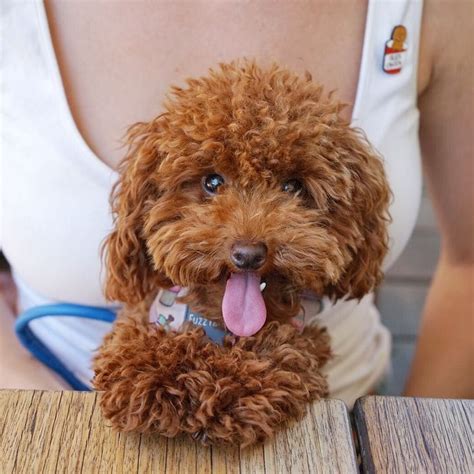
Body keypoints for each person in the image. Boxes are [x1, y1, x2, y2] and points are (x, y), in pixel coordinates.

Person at [1, 0, 472, 402]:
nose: (248, 241)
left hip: (342, 412)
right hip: (47, 395)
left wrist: (412, 446)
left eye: (291, 189)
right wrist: (23, 387)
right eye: (211, 184)